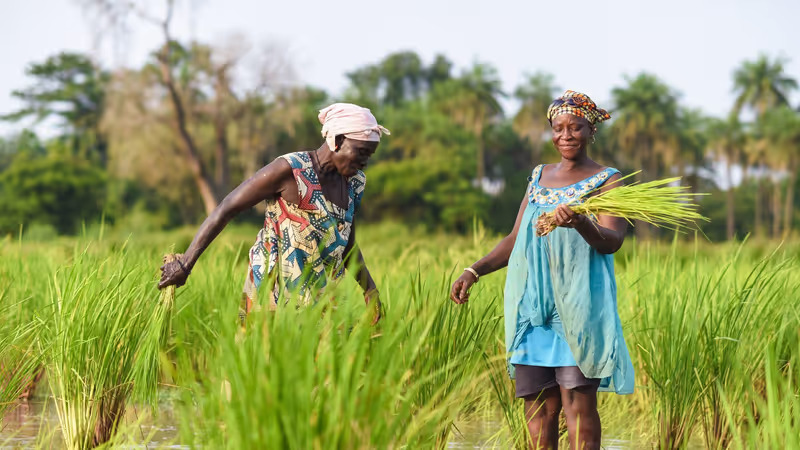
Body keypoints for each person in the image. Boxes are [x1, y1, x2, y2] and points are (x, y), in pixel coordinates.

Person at [450, 91, 634, 450]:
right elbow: (515, 239)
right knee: (538, 412)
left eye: (575, 127)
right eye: (558, 128)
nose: (565, 135)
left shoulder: (607, 179)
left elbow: (612, 241)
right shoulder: (539, 176)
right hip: (533, 309)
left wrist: (580, 222)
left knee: (578, 406)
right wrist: (473, 270)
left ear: (591, 130)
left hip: (579, 309)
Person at [158, 103, 389, 325]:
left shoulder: (354, 183)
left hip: (321, 291)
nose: (365, 162)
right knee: (266, 360)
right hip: (273, 291)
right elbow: (227, 208)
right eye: (361, 153)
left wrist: (370, 291)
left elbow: (347, 242)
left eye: (369, 155)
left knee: (317, 362)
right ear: (337, 141)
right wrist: (186, 263)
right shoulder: (290, 169)